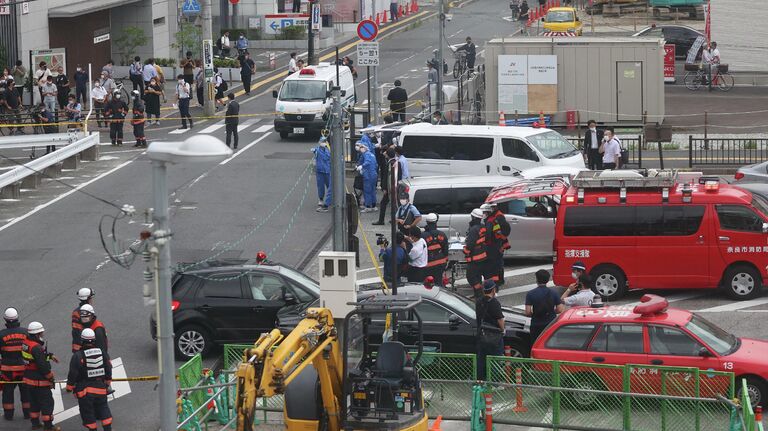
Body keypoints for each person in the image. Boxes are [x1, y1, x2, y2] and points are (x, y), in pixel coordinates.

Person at [66, 328, 113, 431]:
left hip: (85, 391)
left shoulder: (78, 356)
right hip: (100, 388)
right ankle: (108, 429)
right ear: (94, 340)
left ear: (82, 340)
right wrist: (107, 381)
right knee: (103, 408)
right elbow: (108, 367)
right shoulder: (102, 352)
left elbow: (73, 373)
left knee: (88, 412)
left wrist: (69, 387)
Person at [22, 322, 60, 431]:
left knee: (33, 403)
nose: (43, 334)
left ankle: (35, 424)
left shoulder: (25, 343)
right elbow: (42, 364)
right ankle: (48, 426)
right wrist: (50, 376)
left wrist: (50, 356)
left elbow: (34, 359)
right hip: (39, 381)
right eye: (41, 333)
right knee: (47, 403)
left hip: (29, 379)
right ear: (37, 334)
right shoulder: (36, 347)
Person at [0, 307, 30, 420]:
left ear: (5, 320)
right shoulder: (26, 332)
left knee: (7, 392)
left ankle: (8, 415)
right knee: (26, 391)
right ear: (17, 318)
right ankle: (28, 413)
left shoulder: (1, 335)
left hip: (8, 371)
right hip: (24, 369)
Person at [475, 280, 504, 380]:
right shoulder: (494, 302)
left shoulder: (478, 301)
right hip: (494, 335)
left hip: (482, 334)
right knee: (496, 358)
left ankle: (480, 379)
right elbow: (500, 319)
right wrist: (502, 330)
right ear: (493, 290)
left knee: (481, 358)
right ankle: (494, 382)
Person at [525, 270, 563, 341]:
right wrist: (551, 312)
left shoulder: (530, 294)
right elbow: (560, 309)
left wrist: (534, 314)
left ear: (537, 279)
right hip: (550, 323)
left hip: (536, 324)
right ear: (548, 280)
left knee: (536, 343)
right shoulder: (554, 293)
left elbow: (527, 312)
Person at [482, 203, 511, 285]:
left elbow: (505, 230)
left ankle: (498, 281)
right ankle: (499, 281)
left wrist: (501, 239)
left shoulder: (498, 217)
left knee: (496, 263)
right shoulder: (493, 218)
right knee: (497, 263)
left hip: (495, 245)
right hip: (496, 243)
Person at [373, 147, 402, 225]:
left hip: (390, 188)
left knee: (386, 203)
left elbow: (386, 177)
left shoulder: (390, 163)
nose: (384, 153)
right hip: (395, 187)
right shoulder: (397, 162)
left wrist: (384, 188)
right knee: (395, 204)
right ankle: (395, 219)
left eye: (386, 152)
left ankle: (382, 220)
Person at [464, 208, 488, 296]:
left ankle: (479, 293)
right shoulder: (483, 227)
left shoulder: (474, 229)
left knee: (471, 277)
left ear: (473, 217)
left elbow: (470, 244)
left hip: (475, 257)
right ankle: (478, 293)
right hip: (482, 255)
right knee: (477, 276)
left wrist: (465, 250)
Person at [421, 213, 448, 285]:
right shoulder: (442, 234)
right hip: (440, 264)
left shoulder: (423, 236)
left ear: (427, 222)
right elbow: (445, 251)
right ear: (436, 222)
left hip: (428, 265)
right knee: (439, 283)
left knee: (428, 284)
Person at [356, 142, 379, 212]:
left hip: (368, 175)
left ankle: (368, 206)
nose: (360, 149)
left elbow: (367, 162)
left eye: (361, 147)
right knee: (372, 190)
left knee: (367, 191)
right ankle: (374, 206)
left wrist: (361, 166)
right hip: (373, 174)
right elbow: (376, 165)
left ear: (364, 147)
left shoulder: (366, 155)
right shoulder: (372, 154)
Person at [312, 136, 332, 212]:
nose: (323, 143)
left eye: (324, 141)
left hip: (328, 171)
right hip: (320, 171)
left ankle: (329, 200)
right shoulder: (317, 150)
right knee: (320, 186)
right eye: (322, 141)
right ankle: (321, 199)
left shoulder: (328, 150)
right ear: (319, 142)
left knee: (330, 186)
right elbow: (314, 152)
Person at [71, 288, 94, 352]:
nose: (92, 300)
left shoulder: (79, 311)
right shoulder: (78, 313)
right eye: (91, 298)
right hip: (81, 347)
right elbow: (77, 332)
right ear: (87, 299)